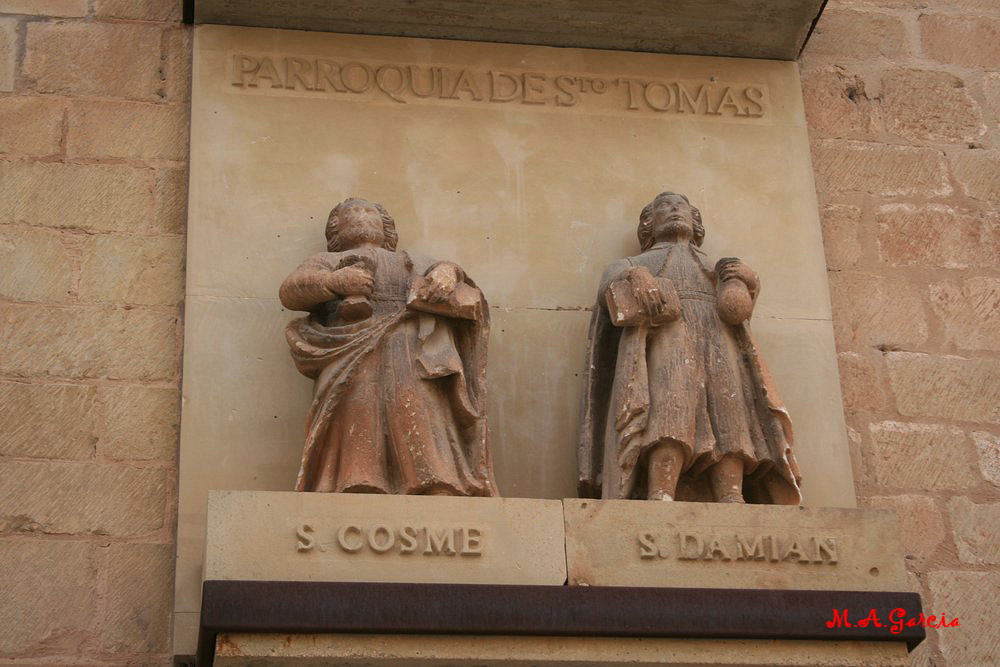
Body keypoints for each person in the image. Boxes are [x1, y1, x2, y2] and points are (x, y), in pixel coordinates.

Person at [578, 191, 801, 504]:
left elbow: (737, 310)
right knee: (670, 413)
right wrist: (635, 274)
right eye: (664, 207)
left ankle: (731, 493)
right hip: (669, 340)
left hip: (719, 341)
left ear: (696, 221)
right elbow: (608, 286)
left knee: (730, 416)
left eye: (681, 207)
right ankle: (661, 490)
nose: (674, 211)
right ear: (648, 225)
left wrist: (751, 283)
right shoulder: (636, 262)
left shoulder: (716, 267)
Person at [279, 197, 497, 496]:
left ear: (387, 228)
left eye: (369, 211)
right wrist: (335, 281)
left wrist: (447, 272)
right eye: (351, 212)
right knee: (359, 406)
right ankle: (357, 480)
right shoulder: (327, 261)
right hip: (353, 346)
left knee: (417, 408)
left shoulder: (414, 260)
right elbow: (292, 291)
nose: (361, 216)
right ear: (335, 230)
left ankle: (435, 481)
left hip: (409, 345)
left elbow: (452, 277)